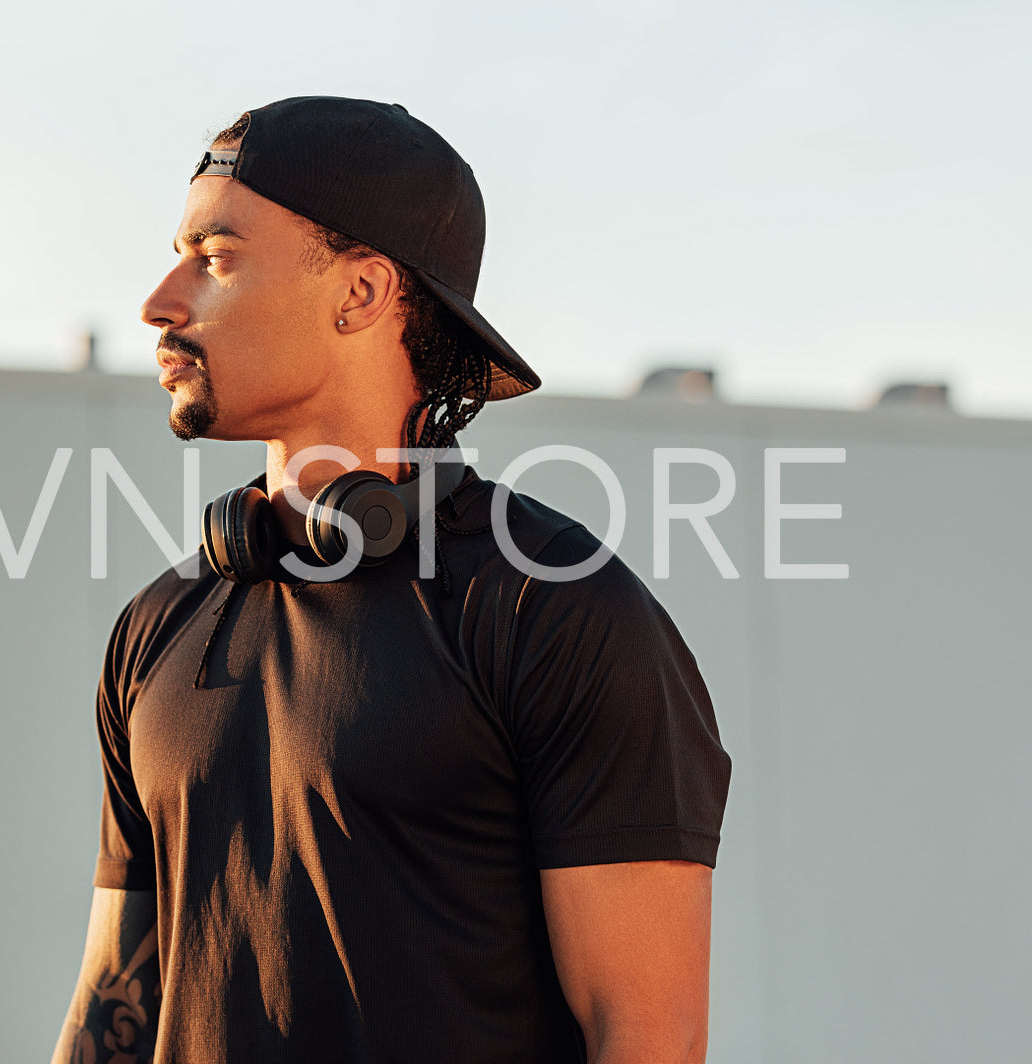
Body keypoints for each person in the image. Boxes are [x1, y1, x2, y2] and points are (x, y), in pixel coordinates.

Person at [51, 96, 731, 1064]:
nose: (162, 302)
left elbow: (646, 1037)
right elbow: (107, 1008)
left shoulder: (554, 613)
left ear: (361, 291)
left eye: (215, 257)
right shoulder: (154, 630)